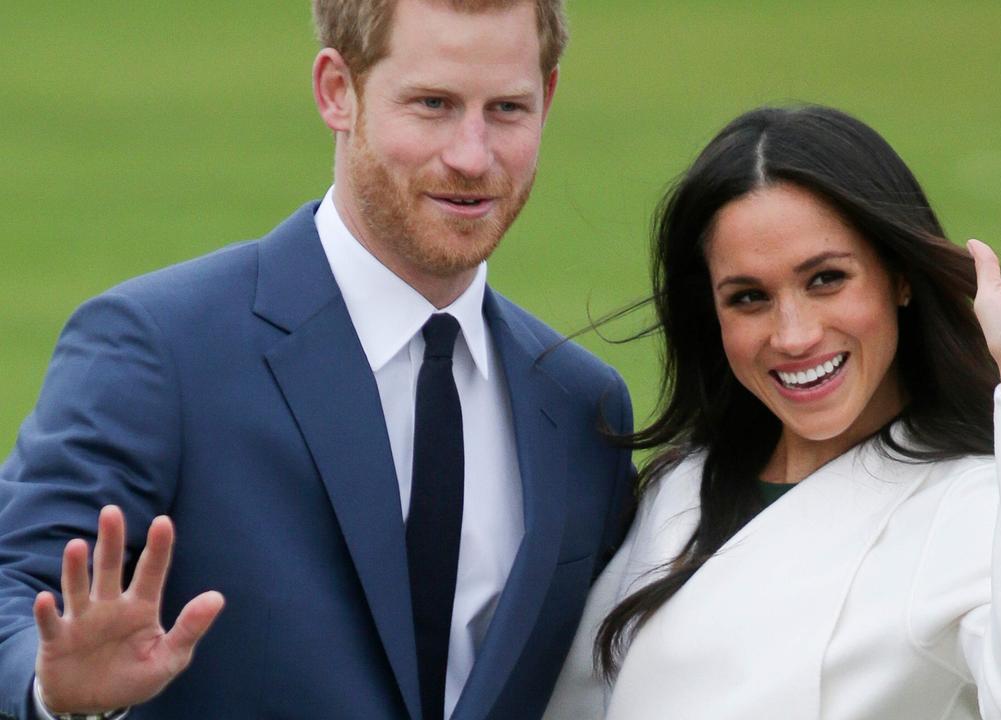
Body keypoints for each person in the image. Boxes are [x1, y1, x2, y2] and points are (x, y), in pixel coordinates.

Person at [0, 1, 635, 719]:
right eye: (433, 104)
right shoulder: (158, 348)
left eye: (509, 109)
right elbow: (15, 585)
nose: (471, 155)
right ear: (338, 90)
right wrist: (51, 692)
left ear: (548, 98)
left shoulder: (584, 409)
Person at [544, 105, 1001, 720]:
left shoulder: (974, 505)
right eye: (748, 297)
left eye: (825, 279)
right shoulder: (680, 485)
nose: (793, 336)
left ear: (898, 277)